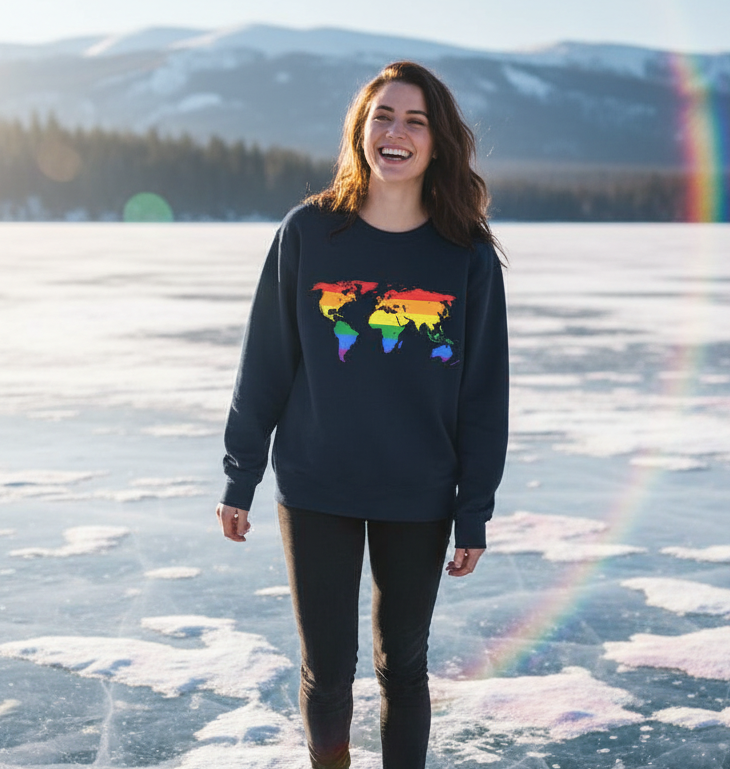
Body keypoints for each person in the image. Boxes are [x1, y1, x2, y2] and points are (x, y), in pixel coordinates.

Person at [216, 60, 509, 769]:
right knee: (326, 671)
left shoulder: (466, 255)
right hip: (316, 483)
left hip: (419, 490)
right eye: (383, 116)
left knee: (402, 669)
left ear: (437, 142)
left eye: (415, 121)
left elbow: (483, 395)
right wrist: (239, 474)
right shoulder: (309, 232)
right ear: (360, 130)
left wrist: (473, 509)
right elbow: (266, 362)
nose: (396, 132)